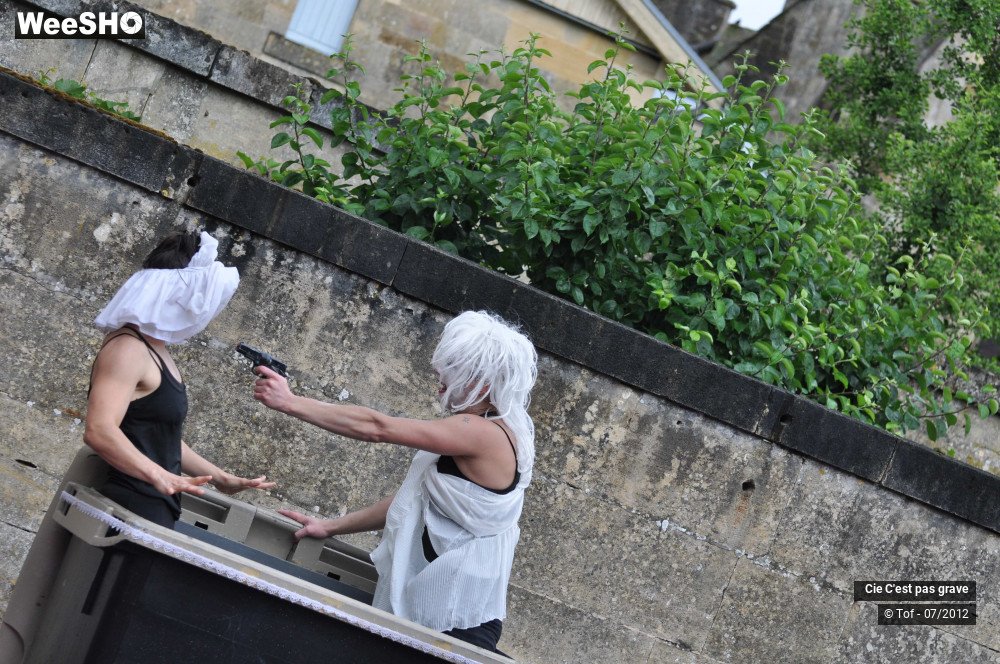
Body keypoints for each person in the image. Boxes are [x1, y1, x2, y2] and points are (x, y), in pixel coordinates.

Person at [253, 310, 537, 654]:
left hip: (456, 615)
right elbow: (414, 499)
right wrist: (331, 527)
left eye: (451, 377)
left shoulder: (482, 433)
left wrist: (291, 402)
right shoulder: (495, 429)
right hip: (449, 605)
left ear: (484, 383)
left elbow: (378, 427)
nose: (440, 386)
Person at [84, 230, 276, 529]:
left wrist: (221, 478)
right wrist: (159, 475)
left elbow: (159, 436)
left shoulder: (155, 349)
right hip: (129, 507)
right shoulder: (128, 349)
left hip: (155, 506)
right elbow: (99, 430)